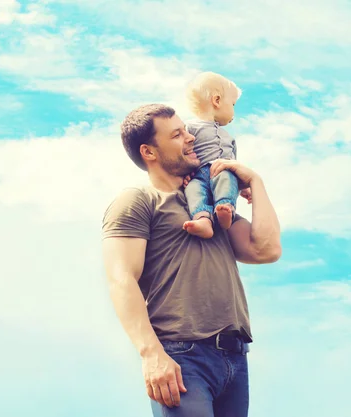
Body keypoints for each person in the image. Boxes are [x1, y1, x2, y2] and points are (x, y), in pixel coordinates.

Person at [101, 103, 281, 417]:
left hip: (235, 358)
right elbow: (121, 280)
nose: (190, 138)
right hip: (181, 356)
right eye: (177, 134)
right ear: (150, 152)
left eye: (186, 130)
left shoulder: (213, 209)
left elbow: (265, 249)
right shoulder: (138, 201)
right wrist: (151, 354)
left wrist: (256, 183)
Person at [181, 71, 252, 239]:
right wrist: (183, 173)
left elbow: (235, 165)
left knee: (227, 178)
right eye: (233, 104)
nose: (234, 111)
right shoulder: (189, 127)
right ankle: (203, 220)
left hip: (222, 171)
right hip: (198, 174)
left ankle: (225, 208)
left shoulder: (229, 138)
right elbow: (181, 151)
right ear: (217, 100)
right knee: (193, 190)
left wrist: (244, 186)